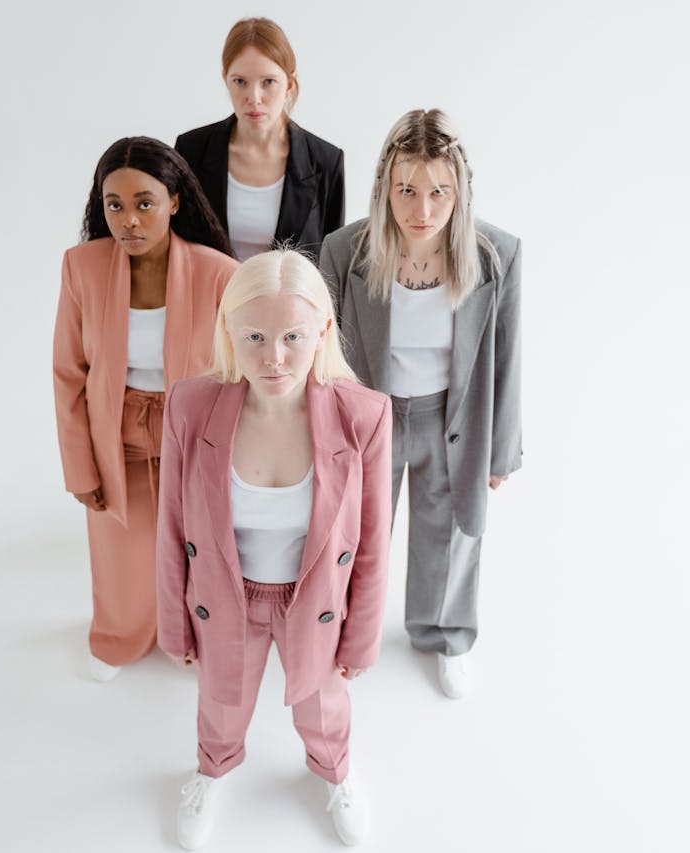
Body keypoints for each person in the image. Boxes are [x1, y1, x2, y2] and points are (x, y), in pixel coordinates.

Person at [156, 250, 391, 848]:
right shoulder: (191, 405)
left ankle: (335, 773)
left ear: (323, 332)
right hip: (226, 594)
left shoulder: (363, 415)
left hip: (312, 598)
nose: (274, 357)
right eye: (254, 336)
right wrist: (175, 627)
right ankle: (213, 769)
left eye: (292, 336)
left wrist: (361, 637)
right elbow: (172, 526)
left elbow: (370, 545)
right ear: (228, 330)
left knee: (322, 704)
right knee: (221, 699)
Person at [318, 109, 522, 700]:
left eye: (439, 193)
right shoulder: (344, 252)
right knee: (356, 533)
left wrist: (501, 450)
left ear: (460, 191)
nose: (422, 211)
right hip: (369, 420)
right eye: (406, 190)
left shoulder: (496, 255)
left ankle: (444, 635)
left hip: (449, 418)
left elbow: (507, 357)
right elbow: (324, 356)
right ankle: (349, 634)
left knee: (449, 531)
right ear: (385, 186)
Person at [54, 137, 237, 682]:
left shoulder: (217, 272)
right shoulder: (82, 267)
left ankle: (201, 638)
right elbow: (68, 374)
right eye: (114, 205)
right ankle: (118, 636)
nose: (128, 220)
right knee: (121, 550)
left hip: (196, 430)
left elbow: (237, 374)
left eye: (144, 203)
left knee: (202, 546)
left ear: (175, 201)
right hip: (118, 430)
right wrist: (79, 468)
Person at [175, 17, 345, 262]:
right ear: (225, 79)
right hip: (211, 300)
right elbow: (177, 248)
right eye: (240, 82)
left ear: (289, 83)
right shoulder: (191, 150)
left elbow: (332, 266)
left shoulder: (325, 161)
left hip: (291, 300)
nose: (254, 97)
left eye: (268, 82)